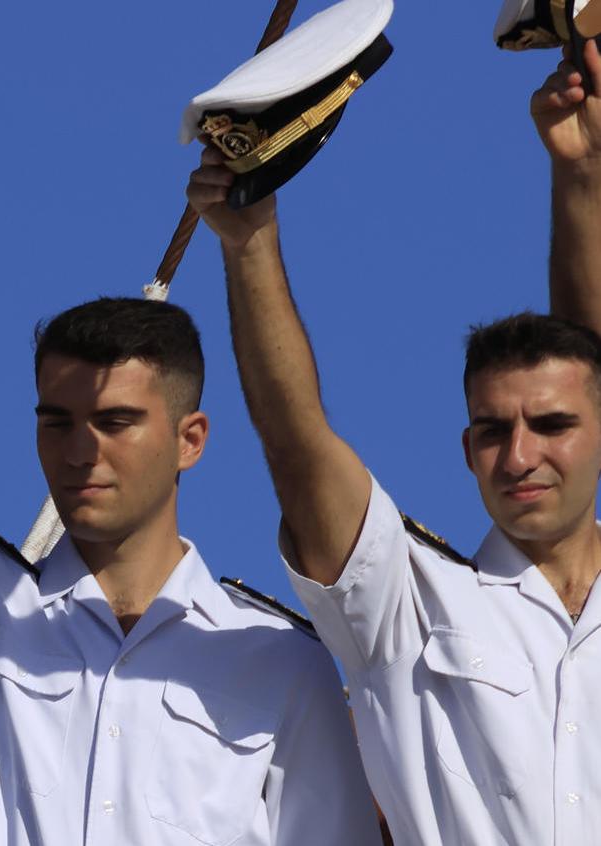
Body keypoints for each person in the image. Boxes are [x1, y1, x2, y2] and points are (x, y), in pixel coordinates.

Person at [0, 136, 381, 844]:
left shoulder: (280, 662)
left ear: (190, 439)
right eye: (58, 423)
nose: (81, 450)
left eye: (116, 423)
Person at [188, 40, 601, 845]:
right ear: (464, 446)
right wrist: (248, 240)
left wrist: (580, 171)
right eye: (492, 432)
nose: (519, 457)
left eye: (551, 427)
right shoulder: (406, 609)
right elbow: (297, 441)